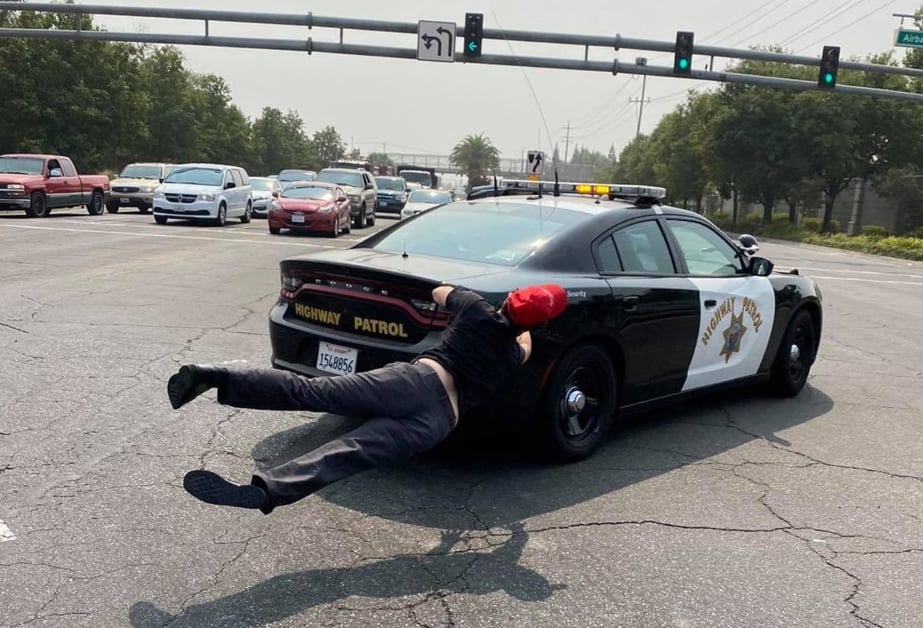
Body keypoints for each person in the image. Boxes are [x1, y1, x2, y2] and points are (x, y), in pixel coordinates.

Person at [170, 283, 568, 514]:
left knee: (311, 391)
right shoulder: (513, 354)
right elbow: (526, 340)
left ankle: (214, 378)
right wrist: (528, 323)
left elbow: (438, 291)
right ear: (542, 321)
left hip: (413, 383)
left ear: (512, 297)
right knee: (346, 453)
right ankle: (265, 492)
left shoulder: (475, 309)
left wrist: (472, 297)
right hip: (439, 421)